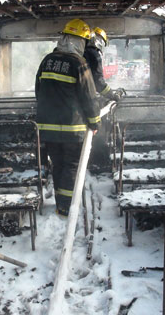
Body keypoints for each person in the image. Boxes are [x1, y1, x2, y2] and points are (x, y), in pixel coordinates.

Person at [35, 18, 100, 215]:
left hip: (48, 129)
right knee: (72, 166)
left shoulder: (47, 61)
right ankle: (67, 207)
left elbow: (39, 91)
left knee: (58, 165)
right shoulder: (79, 63)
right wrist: (94, 122)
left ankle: (59, 202)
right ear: (80, 42)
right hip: (73, 129)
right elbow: (89, 97)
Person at [84, 27, 121, 102]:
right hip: (84, 97)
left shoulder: (82, 52)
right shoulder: (94, 55)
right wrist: (111, 95)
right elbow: (98, 81)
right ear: (101, 42)